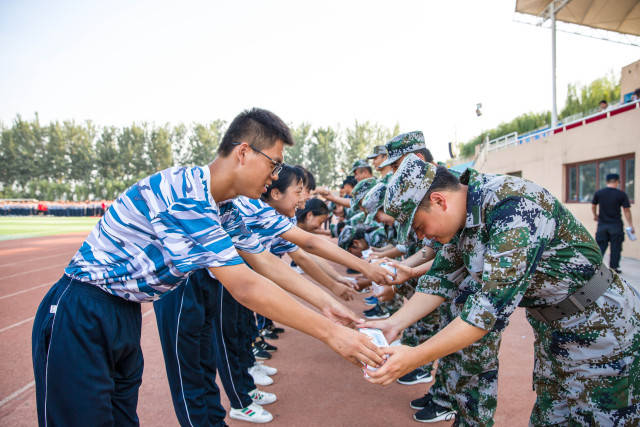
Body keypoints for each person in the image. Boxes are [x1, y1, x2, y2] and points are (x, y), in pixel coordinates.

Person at [31, 108, 387, 427]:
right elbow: (245, 285)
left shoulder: (224, 207)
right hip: (83, 310)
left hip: (122, 311)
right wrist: (331, 333)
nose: (274, 176)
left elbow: (263, 261)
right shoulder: (187, 194)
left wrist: (329, 305)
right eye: (274, 164)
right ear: (244, 152)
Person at [362, 154, 640, 426]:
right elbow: (439, 279)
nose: (421, 238)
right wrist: (392, 324)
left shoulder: (513, 208)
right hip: (555, 330)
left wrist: (416, 356)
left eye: (419, 227)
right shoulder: (465, 217)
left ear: (438, 200)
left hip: (603, 330)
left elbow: (485, 313)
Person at [592, 173, 634, 273]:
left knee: (600, 247)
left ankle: (595, 267)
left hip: (602, 225)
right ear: (617, 181)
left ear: (607, 182)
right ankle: (613, 269)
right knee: (616, 248)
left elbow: (593, 205)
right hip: (616, 225)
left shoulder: (599, 193)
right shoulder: (621, 194)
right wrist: (631, 225)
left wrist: (595, 215)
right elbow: (626, 210)